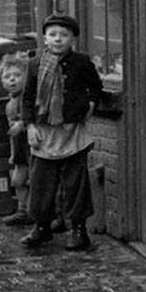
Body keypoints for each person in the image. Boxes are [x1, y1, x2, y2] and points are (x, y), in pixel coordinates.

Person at [20, 13, 102, 250]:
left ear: (73, 39)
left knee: (76, 181)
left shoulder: (81, 63)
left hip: (70, 130)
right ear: (45, 38)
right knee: (41, 182)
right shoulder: (35, 64)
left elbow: (95, 86)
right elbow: (27, 98)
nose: (58, 39)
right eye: (53, 34)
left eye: (64, 35)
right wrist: (30, 126)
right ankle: (41, 227)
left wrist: (90, 105)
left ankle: (78, 229)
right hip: (44, 131)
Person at [0, 53, 34, 226]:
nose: (12, 80)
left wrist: (22, 124)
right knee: (17, 181)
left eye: (17, 75)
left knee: (36, 180)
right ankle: (22, 210)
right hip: (19, 149)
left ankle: (40, 212)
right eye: (7, 77)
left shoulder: (28, 98)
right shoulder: (9, 104)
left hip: (33, 146)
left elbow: (36, 116)